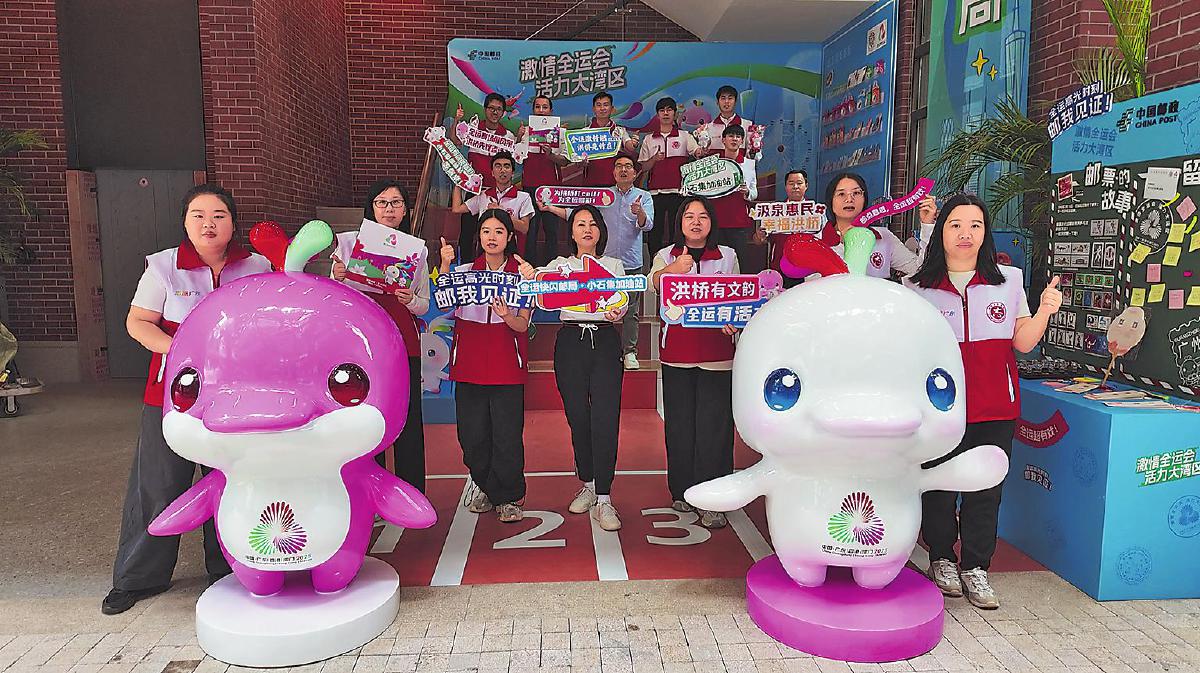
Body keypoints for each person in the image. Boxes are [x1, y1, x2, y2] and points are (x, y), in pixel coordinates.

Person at [104, 184, 272, 615]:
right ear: (185, 222)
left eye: (218, 215)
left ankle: (229, 568)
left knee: (231, 480)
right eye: (198, 215)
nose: (208, 224)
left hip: (235, 394)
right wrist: (178, 351)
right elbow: (138, 322)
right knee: (158, 485)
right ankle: (139, 577)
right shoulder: (164, 266)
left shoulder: (255, 265)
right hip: (172, 395)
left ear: (232, 222)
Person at [905, 192, 1062, 610]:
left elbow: (1022, 342)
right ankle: (941, 557)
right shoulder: (917, 287)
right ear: (941, 232)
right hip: (939, 410)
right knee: (938, 487)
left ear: (985, 233)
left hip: (995, 406)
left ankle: (976, 566)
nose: (966, 233)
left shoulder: (1008, 281)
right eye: (956, 224)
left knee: (986, 489)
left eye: (975, 225)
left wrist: (1045, 311)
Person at [516, 206, 628, 531]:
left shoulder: (613, 265)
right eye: (580, 224)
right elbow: (539, 286)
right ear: (573, 232)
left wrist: (617, 312)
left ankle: (604, 497)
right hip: (570, 343)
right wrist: (531, 276)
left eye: (593, 224)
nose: (587, 229)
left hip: (605, 341)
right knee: (578, 417)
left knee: (605, 418)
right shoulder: (559, 266)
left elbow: (621, 301)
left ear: (600, 231)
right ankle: (588, 484)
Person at [332, 180, 430, 492]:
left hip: (402, 339)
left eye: (396, 203)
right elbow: (332, 295)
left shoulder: (417, 250)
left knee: (407, 417)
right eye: (382, 202)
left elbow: (424, 304)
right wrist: (336, 277)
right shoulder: (348, 244)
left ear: (406, 210)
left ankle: (411, 491)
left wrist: (410, 300)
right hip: (360, 343)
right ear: (371, 207)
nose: (389, 209)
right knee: (364, 418)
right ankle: (370, 493)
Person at [649, 197, 739, 529]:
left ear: (712, 222)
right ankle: (682, 490)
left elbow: (738, 297)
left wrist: (734, 320)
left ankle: (714, 496)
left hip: (717, 354)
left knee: (715, 426)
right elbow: (653, 283)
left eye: (703, 216)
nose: (696, 222)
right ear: (680, 223)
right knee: (680, 424)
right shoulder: (666, 255)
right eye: (689, 216)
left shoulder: (727, 255)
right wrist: (672, 270)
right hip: (678, 353)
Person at [437, 210, 531, 523]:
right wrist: (446, 266)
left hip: (507, 364)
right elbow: (445, 307)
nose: (492, 237)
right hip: (469, 364)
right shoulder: (463, 272)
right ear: (478, 236)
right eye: (486, 231)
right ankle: (488, 486)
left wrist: (506, 315)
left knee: (507, 436)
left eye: (499, 231)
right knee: (472, 436)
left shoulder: (522, 275)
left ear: (509, 237)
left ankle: (509, 496)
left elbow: (522, 326)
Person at [539, 156, 653, 371]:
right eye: (619, 166)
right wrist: (550, 208)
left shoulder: (644, 196)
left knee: (629, 309)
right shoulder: (604, 196)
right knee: (597, 301)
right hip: (602, 263)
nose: (623, 170)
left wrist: (639, 212)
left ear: (635, 173)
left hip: (630, 260)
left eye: (628, 166)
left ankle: (630, 351)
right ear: (613, 172)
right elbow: (579, 216)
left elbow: (647, 225)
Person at [819, 172, 936, 279]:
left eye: (856, 193)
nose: (849, 199)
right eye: (841, 194)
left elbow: (920, 270)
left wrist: (927, 225)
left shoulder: (883, 236)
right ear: (830, 201)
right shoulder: (819, 241)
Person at [638, 96, 702, 253]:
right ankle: (655, 263)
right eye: (662, 110)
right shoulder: (649, 139)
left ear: (675, 113)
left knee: (677, 232)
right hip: (655, 193)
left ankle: (677, 262)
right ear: (657, 115)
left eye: (669, 110)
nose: (665, 113)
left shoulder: (684, 136)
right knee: (655, 232)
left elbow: (697, 153)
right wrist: (654, 159)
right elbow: (643, 167)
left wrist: (702, 149)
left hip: (678, 193)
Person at [451, 151, 534, 259]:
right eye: (498, 166)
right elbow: (457, 208)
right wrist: (459, 183)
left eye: (507, 166)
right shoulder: (484, 195)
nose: (502, 170)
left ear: (513, 172)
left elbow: (524, 228)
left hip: (511, 255)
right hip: (484, 254)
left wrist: (501, 213)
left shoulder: (523, 197)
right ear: (492, 173)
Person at [519, 95, 570, 265]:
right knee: (531, 230)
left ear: (551, 111)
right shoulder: (526, 131)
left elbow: (565, 161)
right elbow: (517, 157)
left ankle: (551, 267)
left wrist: (551, 155)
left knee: (551, 231)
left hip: (552, 188)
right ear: (533, 110)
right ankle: (529, 268)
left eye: (545, 107)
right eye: (538, 107)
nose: (541, 111)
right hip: (529, 187)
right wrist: (518, 139)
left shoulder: (560, 133)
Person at [707, 124, 758, 270]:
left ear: (742, 141)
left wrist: (747, 192)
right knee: (717, 262)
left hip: (738, 221)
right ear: (723, 140)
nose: (734, 139)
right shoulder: (713, 163)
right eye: (730, 136)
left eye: (738, 137)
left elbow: (754, 193)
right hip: (716, 220)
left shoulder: (749, 164)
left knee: (740, 261)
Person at [756, 169, 810, 289]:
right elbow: (759, 240)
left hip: (807, 269)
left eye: (799, 183)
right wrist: (760, 237)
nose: (795, 187)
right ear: (785, 186)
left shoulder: (816, 212)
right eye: (791, 183)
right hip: (779, 268)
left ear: (806, 186)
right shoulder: (775, 211)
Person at [451, 92, 517, 189]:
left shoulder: (508, 136)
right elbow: (455, 141)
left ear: (503, 113)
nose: (495, 112)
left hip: (497, 190)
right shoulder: (473, 129)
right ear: (485, 109)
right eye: (491, 108)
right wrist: (456, 119)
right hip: (474, 187)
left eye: (499, 109)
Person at [580, 91, 638, 187]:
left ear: (612, 109)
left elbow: (630, 146)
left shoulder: (619, 131)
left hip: (615, 185)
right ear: (593, 109)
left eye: (606, 105)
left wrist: (634, 143)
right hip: (591, 184)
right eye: (599, 105)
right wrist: (581, 162)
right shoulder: (584, 132)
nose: (602, 108)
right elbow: (577, 161)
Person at [704, 85, 757, 158]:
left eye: (730, 98)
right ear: (717, 102)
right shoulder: (708, 128)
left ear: (735, 102)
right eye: (723, 98)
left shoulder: (748, 125)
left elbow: (751, 156)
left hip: (739, 165)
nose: (726, 102)